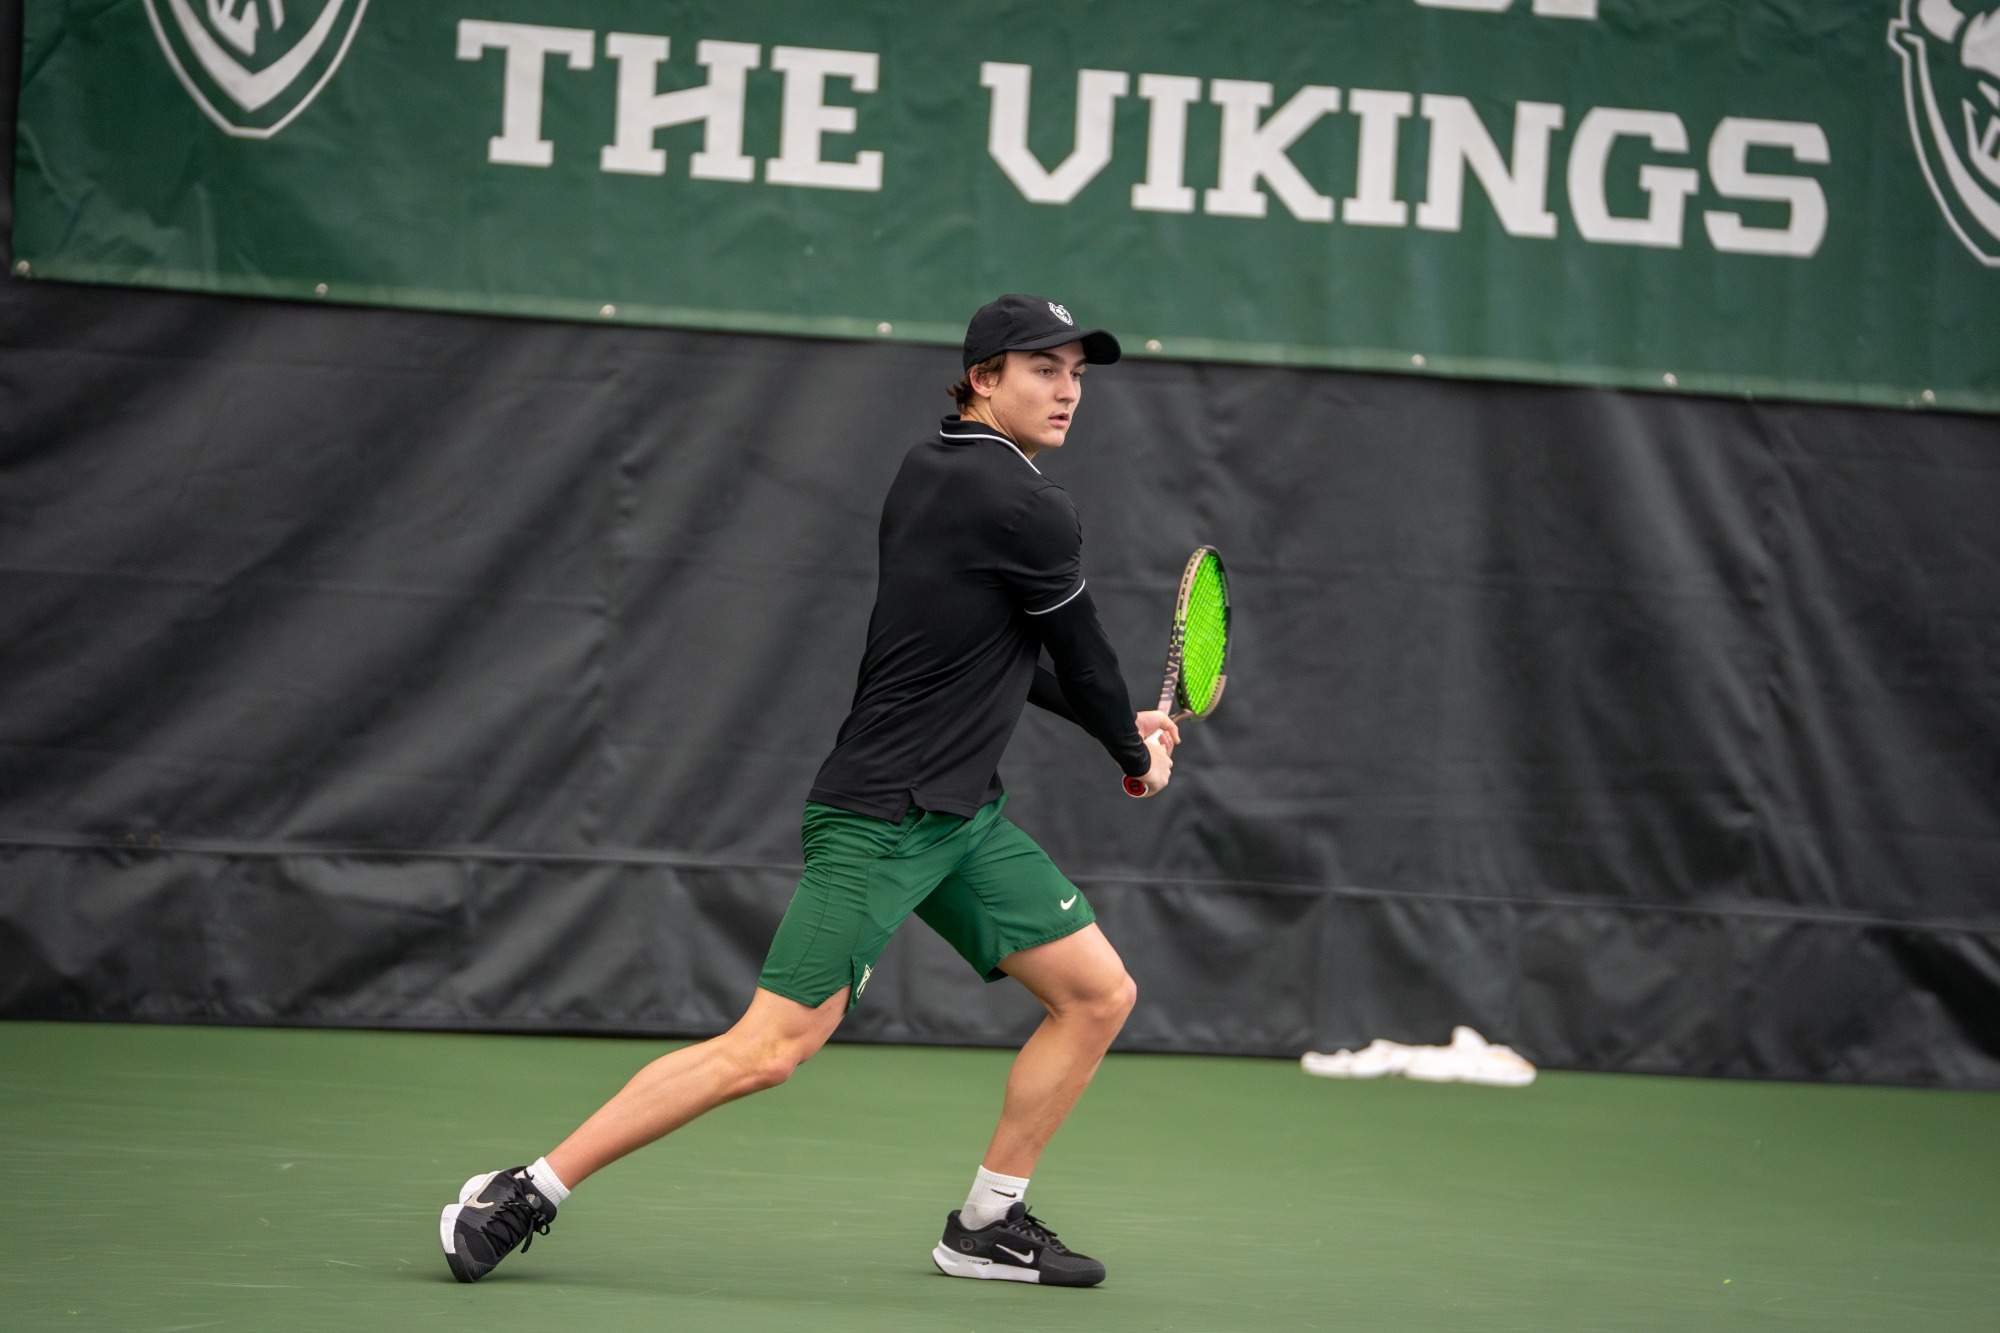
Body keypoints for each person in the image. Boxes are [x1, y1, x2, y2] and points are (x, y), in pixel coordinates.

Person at [440, 293, 1177, 1289]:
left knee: (1095, 994)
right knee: (769, 1048)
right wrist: (1130, 752)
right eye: (1042, 369)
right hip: (881, 817)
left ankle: (984, 1224)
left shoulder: (931, 470)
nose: (1066, 391)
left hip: (961, 813)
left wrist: (1113, 719)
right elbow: (1080, 659)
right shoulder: (1024, 503)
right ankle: (525, 1189)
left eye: (1076, 374)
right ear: (981, 378)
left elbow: (1003, 653)